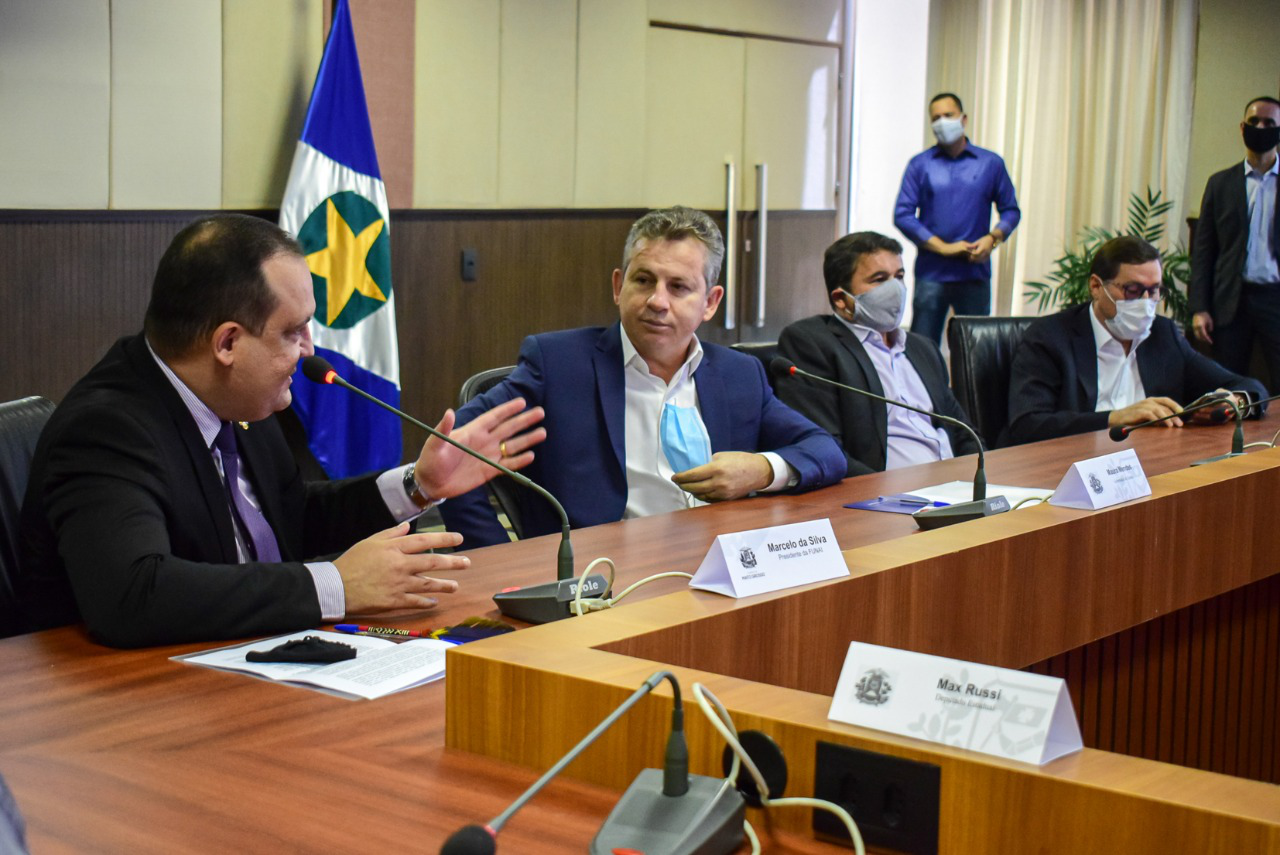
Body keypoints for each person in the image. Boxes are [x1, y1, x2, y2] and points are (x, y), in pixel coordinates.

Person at [18, 214, 546, 648]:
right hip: (110, 706)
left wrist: (418, 485)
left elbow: (289, 519)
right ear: (227, 343)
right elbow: (134, 595)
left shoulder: (239, 398)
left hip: (240, 657)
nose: (310, 350)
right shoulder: (107, 429)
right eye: (293, 331)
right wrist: (335, 586)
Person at [438, 206, 846, 547]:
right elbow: (452, 452)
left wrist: (762, 470)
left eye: (679, 287)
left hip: (720, 569)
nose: (656, 301)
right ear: (619, 286)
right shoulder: (559, 365)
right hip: (600, 581)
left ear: (710, 302)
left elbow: (823, 450)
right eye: (644, 280)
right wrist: (498, 564)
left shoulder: (739, 374)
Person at [1007, 235, 1265, 445]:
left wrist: (1237, 401)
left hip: (1148, 462)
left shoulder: (1163, 335)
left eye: (1154, 291)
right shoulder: (1050, 337)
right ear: (1096, 287)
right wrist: (1115, 418)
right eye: (1132, 290)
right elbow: (1028, 424)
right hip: (1066, 465)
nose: (1145, 302)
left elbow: (1245, 384)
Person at [775, 231, 980, 476]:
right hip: (887, 497)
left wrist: (981, 479)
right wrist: (881, 493)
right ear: (841, 299)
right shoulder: (812, 342)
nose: (896, 289)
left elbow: (964, 433)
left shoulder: (922, 348)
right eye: (880, 279)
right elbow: (823, 447)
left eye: (899, 276)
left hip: (955, 487)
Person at [894, 92, 1021, 344]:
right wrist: (943, 247)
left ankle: (967, 387)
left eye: (948, 115)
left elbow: (1011, 210)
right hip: (932, 273)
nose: (942, 122)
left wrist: (993, 238)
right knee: (923, 346)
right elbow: (903, 214)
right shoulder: (920, 165)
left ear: (963, 119)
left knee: (975, 346)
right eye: (936, 118)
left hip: (974, 272)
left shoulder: (990, 163)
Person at [1190, 96, 1280, 391]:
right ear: (1242, 127)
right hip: (1231, 301)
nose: (1261, 127)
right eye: (1254, 121)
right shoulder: (1220, 183)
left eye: (1270, 123)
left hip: (1275, 298)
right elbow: (1203, 252)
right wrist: (1199, 307)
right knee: (1228, 385)